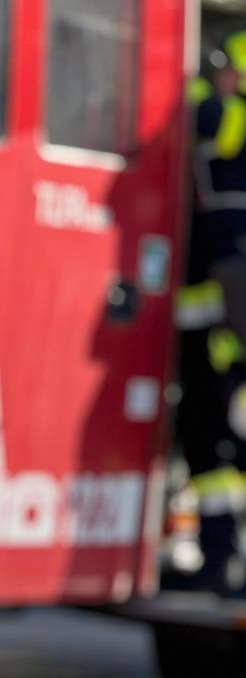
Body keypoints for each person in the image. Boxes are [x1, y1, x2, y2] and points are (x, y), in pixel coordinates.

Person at [175, 36, 246, 597]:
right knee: (211, 441)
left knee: (215, 436)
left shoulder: (227, 115)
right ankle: (220, 560)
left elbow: (199, 110)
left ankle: (222, 560)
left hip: (219, 336)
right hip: (212, 339)